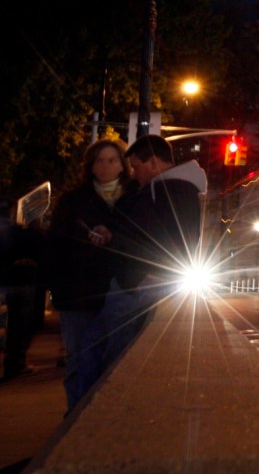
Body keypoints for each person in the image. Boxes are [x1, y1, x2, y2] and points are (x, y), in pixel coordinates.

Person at [75, 134, 206, 399]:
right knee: (114, 346)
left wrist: (114, 241)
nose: (134, 174)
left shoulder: (165, 190)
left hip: (138, 282)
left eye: (137, 166)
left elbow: (148, 238)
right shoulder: (178, 188)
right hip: (147, 280)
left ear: (154, 163)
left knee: (99, 346)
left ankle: (95, 408)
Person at [45, 139, 132, 409]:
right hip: (79, 295)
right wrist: (58, 291)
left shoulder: (135, 198)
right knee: (78, 359)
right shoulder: (73, 201)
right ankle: (74, 419)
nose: (105, 166)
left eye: (112, 160)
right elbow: (55, 246)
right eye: (99, 160)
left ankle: (102, 421)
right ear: (90, 166)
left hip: (122, 294)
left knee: (115, 361)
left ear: (123, 165)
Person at [0, 195, 40, 382]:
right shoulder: (18, 229)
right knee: (19, 325)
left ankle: (13, 363)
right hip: (18, 282)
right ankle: (15, 364)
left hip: (9, 280)